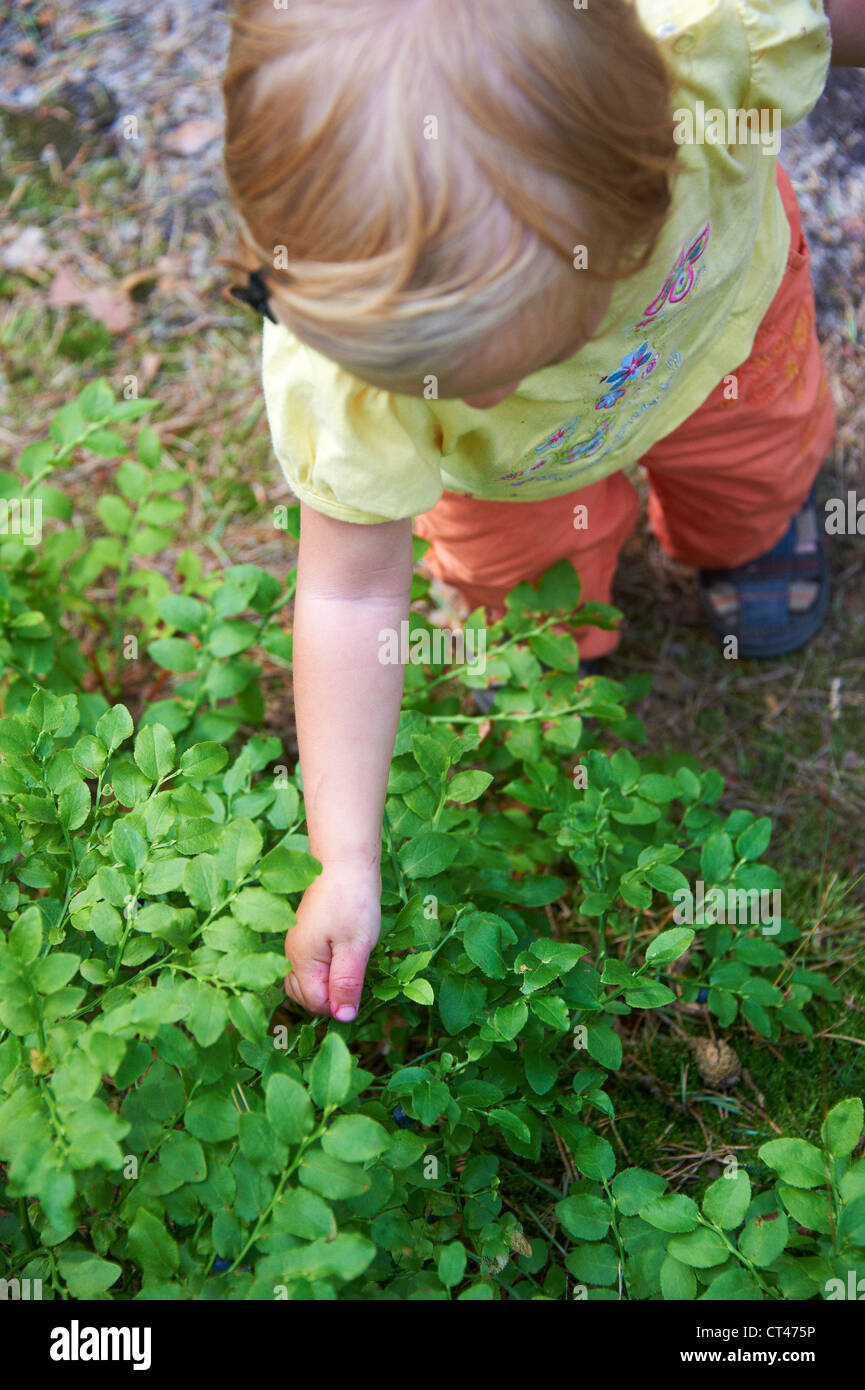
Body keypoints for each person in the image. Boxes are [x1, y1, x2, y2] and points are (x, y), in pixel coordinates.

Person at [221, 0, 865, 1021]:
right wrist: (343, 853)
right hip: (514, 480)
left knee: (756, 461)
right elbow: (348, 596)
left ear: (642, 175)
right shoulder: (348, 355)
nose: (471, 407)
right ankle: (547, 653)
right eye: (431, 383)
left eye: (517, 361)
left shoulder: (711, 42)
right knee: (514, 589)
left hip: (712, 342)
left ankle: (746, 531)